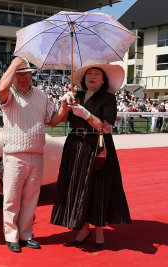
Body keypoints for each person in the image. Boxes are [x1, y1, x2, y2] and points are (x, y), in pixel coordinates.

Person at [50, 64, 132, 250]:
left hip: (97, 145)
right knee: (76, 186)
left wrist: (86, 114)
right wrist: (64, 105)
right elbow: (56, 121)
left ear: (103, 80)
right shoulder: (75, 96)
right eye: (89, 73)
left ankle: (100, 230)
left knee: (98, 187)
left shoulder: (108, 98)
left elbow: (107, 127)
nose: (92, 76)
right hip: (74, 144)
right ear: (83, 78)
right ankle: (84, 228)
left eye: (97, 74)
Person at [0, 57, 71, 253]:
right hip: (14, 154)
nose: (22, 78)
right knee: (12, 198)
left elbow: (53, 121)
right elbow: (1, 89)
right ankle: (11, 235)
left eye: (26, 74)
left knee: (31, 199)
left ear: (31, 75)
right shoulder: (9, 94)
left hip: (37, 154)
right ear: (13, 76)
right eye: (18, 74)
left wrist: (65, 106)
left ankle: (26, 234)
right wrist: (15, 63)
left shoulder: (42, 96)